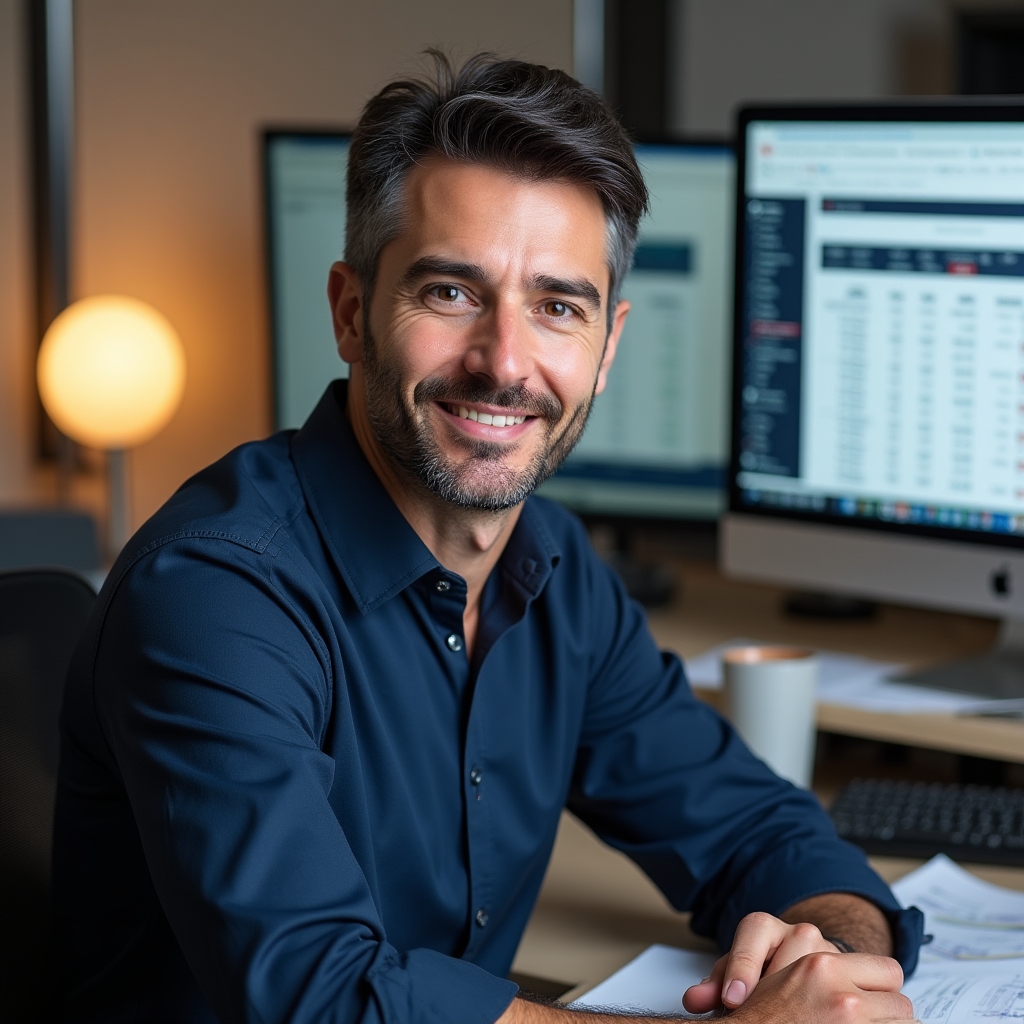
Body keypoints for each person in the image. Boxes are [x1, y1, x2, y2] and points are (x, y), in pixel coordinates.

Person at [53, 52, 922, 1024]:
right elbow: (322, 997)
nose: (505, 361)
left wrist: (832, 958)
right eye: (451, 292)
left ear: (607, 349)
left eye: (557, 306)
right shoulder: (215, 590)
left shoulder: (552, 571)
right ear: (351, 312)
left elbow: (757, 830)